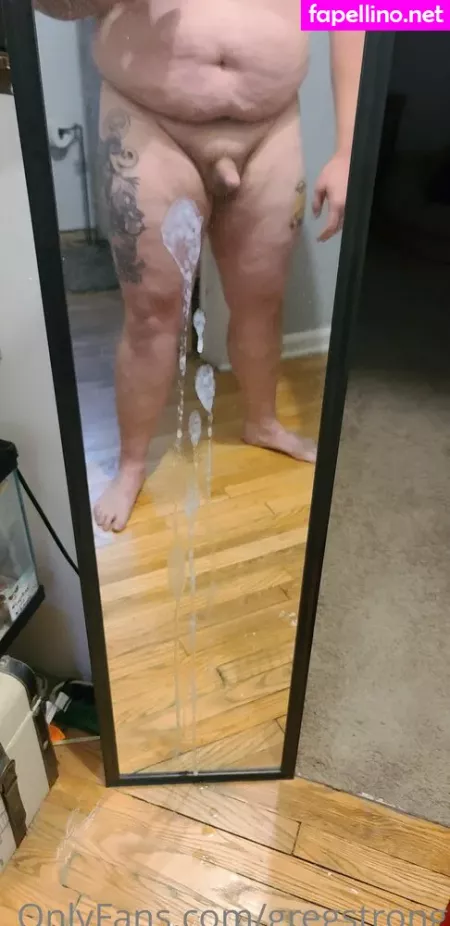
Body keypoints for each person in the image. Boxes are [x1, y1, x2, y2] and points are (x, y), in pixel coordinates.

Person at [36, 0, 364, 531]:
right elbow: (54, 6)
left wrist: (348, 149)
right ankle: (131, 464)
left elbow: (359, 11)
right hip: (150, 123)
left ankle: (262, 421)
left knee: (261, 301)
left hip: (272, 128)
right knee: (151, 314)